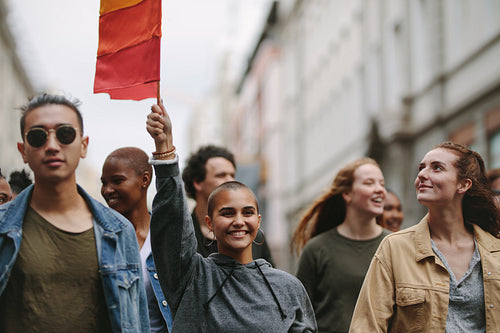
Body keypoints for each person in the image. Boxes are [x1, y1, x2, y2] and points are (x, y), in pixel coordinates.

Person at [146, 103, 317, 332]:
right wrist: (165, 152)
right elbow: (171, 223)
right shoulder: (193, 280)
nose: (239, 221)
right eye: (227, 213)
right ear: (210, 223)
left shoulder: (288, 288)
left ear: (258, 220)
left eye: (247, 213)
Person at [0, 93, 149, 332]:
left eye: (65, 134)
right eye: (38, 137)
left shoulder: (119, 231)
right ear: (23, 151)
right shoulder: (3, 226)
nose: (51, 146)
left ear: (83, 145)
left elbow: (138, 321)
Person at [350, 141, 500, 332]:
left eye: (437, 168)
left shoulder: (495, 251)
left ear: (463, 184)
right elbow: (367, 326)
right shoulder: (395, 248)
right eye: (421, 168)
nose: (422, 174)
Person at [291, 158, 391, 333]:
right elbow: (299, 315)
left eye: (382, 184)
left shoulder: (395, 246)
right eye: (369, 183)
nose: (380, 190)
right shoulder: (317, 249)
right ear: (347, 194)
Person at [101, 147, 173, 332]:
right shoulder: (100, 239)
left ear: (145, 180)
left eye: (118, 181)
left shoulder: (166, 239)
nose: (107, 190)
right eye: (104, 182)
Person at [182, 145, 274, 265]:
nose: (230, 181)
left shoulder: (252, 233)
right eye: (221, 175)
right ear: (197, 182)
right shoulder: (183, 235)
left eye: (232, 175)